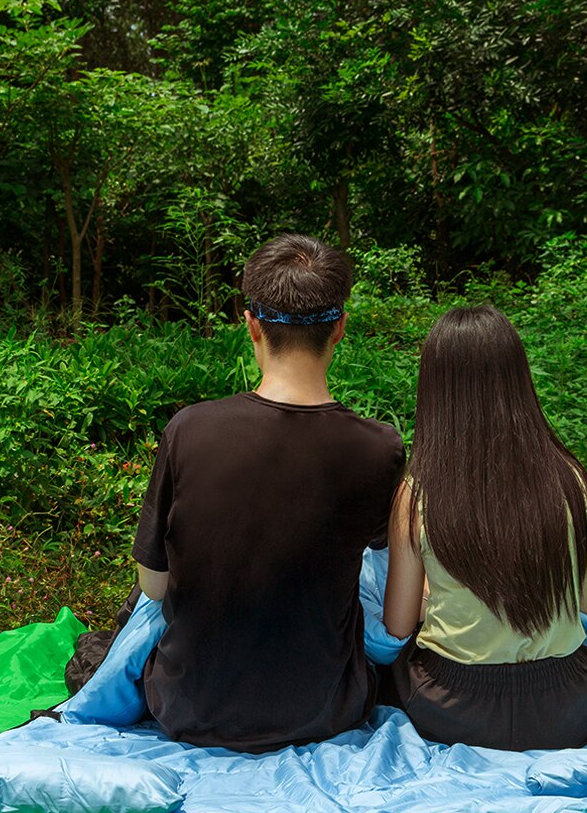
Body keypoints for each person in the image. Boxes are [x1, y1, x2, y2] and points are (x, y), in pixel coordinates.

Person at [131, 234, 404, 753]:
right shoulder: (378, 448)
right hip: (325, 710)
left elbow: (152, 585)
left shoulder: (189, 430)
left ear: (251, 324)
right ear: (340, 327)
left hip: (187, 708)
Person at [382, 304, 587, 752]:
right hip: (563, 709)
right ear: (519, 380)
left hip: (453, 707)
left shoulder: (419, 491)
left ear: (435, 389)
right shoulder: (572, 481)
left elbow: (396, 624)